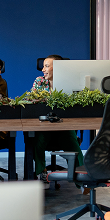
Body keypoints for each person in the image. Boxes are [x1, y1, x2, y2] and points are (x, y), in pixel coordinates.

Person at [32, 54, 84, 182]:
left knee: (73, 145)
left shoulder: (69, 83)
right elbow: (32, 101)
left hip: (64, 126)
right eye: (43, 66)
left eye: (47, 66)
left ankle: (82, 178)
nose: (43, 69)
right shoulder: (40, 81)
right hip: (44, 126)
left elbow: (74, 104)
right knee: (37, 142)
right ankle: (42, 172)